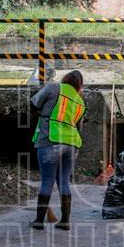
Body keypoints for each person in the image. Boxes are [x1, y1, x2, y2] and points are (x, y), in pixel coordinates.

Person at [30, 70, 86, 231]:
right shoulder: (80, 100)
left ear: (65, 78)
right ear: (79, 85)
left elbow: (33, 104)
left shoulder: (53, 88)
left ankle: (39, 221)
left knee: (47, 181)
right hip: (72, 143)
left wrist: (42, 115)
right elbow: (79, 126)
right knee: (64, 181)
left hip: (51, 139)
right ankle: (65, 221)